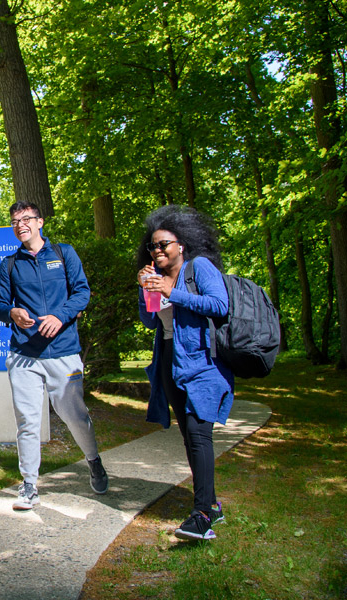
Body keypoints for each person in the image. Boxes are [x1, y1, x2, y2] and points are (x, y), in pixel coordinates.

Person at [0, 200, 108, 511]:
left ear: (40, 222)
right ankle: (29, 485)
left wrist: (61, 316)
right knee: (28, 420)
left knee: (74, 416)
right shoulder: (9, 265)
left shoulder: (63, 253)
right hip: (24, 355)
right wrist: (12, 312)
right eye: (15, 221)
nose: (20, 225)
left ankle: (94, 461)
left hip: (63, 353)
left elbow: (82, 292)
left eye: (26, 219)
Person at [137, 204, 232, 541]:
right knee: (189, 437)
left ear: (182, 245)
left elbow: (220, 305)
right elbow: (150, 320)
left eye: (164, 244)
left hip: (202, 362)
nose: (158, 250)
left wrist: (171, 292)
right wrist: (146, 290)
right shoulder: (155, 277)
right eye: (153, 246)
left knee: (198, 434)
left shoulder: (199, 268)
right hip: (168, 361)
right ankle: (212, 506)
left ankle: (203, 514)